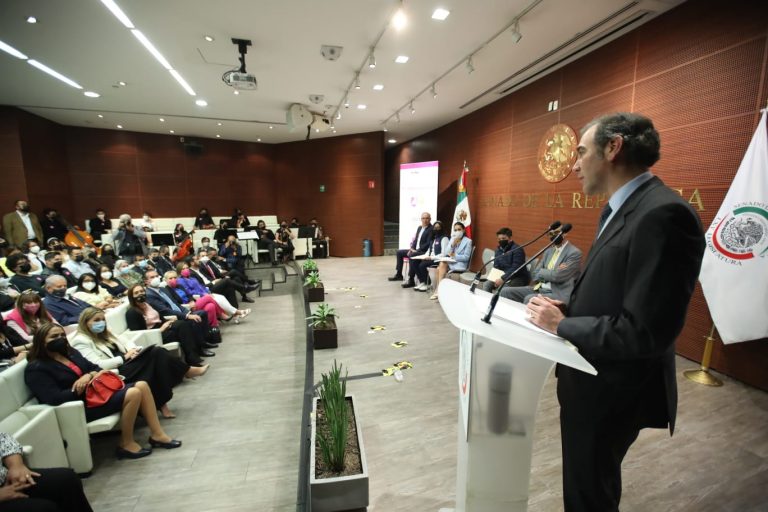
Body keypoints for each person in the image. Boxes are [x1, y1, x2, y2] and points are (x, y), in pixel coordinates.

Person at [525, 113, 705, 512]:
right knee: (584, 487)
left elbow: (644, 331)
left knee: (590, 496)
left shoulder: (664, 215)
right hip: (592, 382)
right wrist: (570, 309)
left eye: (581, 152)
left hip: (612, 390)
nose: (573, 165)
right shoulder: (625, 208)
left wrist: (564, 325)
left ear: (613, 147)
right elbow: (621, 297)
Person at [24, 322, 181, 460]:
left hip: (96, 394)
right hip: (79, 406)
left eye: (61, 335)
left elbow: (95, 368)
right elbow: (53, 398)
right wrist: (83, 388)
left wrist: (87, 376)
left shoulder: (71, 353)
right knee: (133, 393)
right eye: (53, 337)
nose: (60, 339)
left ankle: (157, 434)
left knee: (141, 385)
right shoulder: (37, 368)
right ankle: (126, 444)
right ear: (41, 341)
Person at [71, 308, 207, 420]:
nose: (101, 323)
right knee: (156, 353)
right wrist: (124, 357)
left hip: (128, 363)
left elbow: (126, 341)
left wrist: (133, 350)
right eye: (96, 320)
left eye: (102, 320)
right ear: (85, 322)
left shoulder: (106, 331)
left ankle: (163, 402)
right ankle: (186, 372)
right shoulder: (81, 341)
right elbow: (98, 365)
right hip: (114, 373)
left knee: (156, 359)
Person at [0, 431, 93, 511]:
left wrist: (16, 465)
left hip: (7, 479)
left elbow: (3, 439)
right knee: (43, 508)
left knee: (67, 480)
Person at [125, 285, 209, 366]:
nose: (140, 294)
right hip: (154, 334)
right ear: (131, 296)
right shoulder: (132, 312)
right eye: (136, 293)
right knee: (180, 332)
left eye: (141, 291)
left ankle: (193, 356)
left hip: (161, 326)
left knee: (184, 324)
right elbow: (140, 334)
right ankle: (192, 358)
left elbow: (160, 317)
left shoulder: (148, 304)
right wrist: (161, 329)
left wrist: (168, 321)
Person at [501, 230, 581, 304]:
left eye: (556, 232)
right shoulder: (548, 251)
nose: (553, 235)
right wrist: (551, 273)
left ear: (565, 233)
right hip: (539, 288)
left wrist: (543, 272)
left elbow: (558, 276)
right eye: (550, 234)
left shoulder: (574, 253)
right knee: (505, 291)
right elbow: (535, 274)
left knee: (530, 299)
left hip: (557, 293)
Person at [173, 264, 250, 323]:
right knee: (217, 298)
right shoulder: (181, 281)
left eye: (187, 268)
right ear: (180, 271)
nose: (186, 270)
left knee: (221, 297)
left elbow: (201, 287)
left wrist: (207, 292)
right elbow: (189, 292)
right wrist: (204, 294)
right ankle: (236, 312)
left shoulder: (192, 278)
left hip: (205, 293)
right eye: (183, 269)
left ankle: (235, 313)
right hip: (197, 298)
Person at [430, 222, 473, 300]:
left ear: (463, 230)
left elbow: (466, 257)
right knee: (441, 263)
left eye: (459, 229)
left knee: (440, 266)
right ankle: (439, 290)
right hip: (451, 262)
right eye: (455, 230)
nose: (457, 232)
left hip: (460, 263)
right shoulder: (452, 238)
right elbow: (446, 252)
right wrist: (452, 244)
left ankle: (438, 290)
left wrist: (454, 256)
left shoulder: (468, 241)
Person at [389, 212, 433, 282]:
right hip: (415, 250)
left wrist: (417, 250)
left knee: (412, 255)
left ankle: (411, 279)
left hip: (423, 252)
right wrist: (412, 248)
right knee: (399, 252)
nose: (425, 220)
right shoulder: (419, 228)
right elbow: (416, 240)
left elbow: (428, 243)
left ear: (430, 219)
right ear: (421, 219)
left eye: (427, 218)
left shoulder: (431, 229)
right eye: (423, 218)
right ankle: (399, 274)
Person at [409, 220, 448, 292]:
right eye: (435, 228)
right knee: (414, 262)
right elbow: (429, 251)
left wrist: (431, 257)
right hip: (430, 257)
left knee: (422, 265)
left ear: (441, 228)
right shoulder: (434, 238)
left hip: (437, 259)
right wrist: (424, 256)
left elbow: (444, 254)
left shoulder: (444, 238)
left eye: (438, 228)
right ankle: (422, 282)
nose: (436, 229)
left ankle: (428, 283)